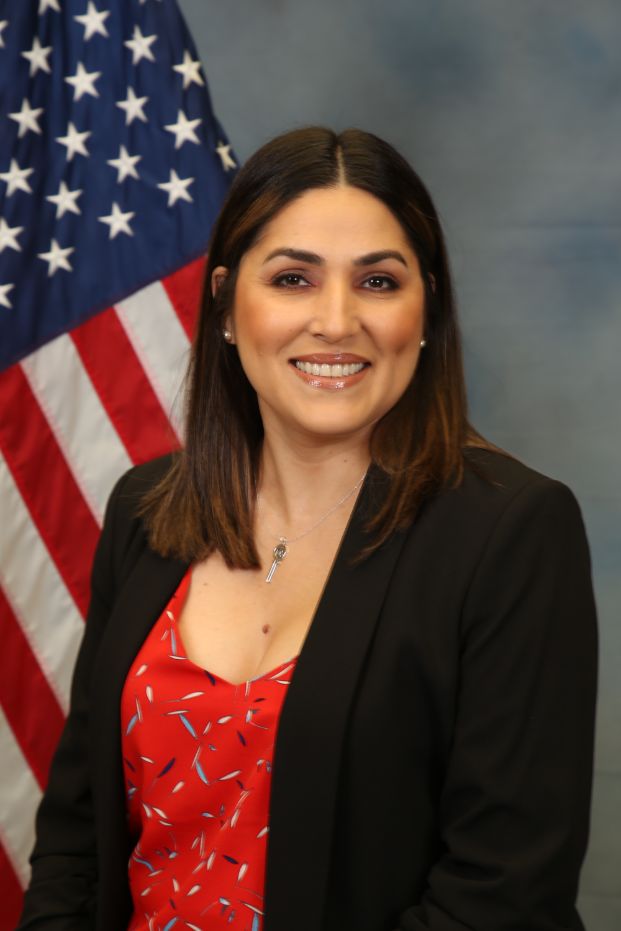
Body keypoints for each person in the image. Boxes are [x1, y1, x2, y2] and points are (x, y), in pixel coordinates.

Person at [18, 127, 597, 931]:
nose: (335, 321)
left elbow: (502, 895)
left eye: (377, 282)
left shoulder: (511, 533)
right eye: (292, 278)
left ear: (425, 307)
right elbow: (77, 839)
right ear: (225, 303)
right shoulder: (146, 511)